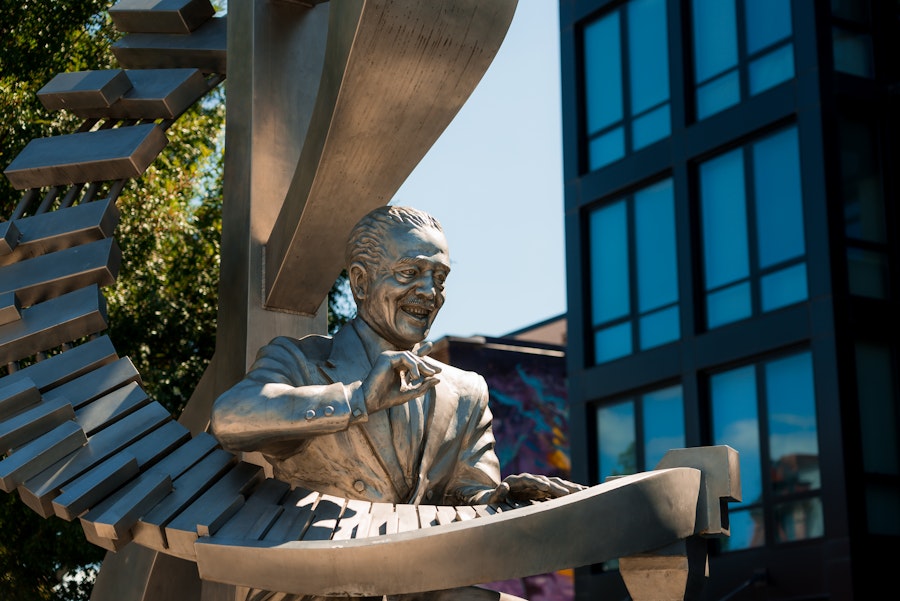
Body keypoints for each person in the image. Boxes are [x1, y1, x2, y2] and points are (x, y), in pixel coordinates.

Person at [210, 205, 583, 599]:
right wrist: (357, 399)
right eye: (410, 272)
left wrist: (507, 501)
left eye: (439, 278)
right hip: (316, 587)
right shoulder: (302, 363)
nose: (429, 292)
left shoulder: (466, 392)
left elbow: (470, 501)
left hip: (417, 588)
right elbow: (230, 419)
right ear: (360, 282)